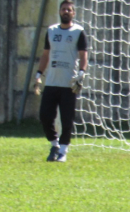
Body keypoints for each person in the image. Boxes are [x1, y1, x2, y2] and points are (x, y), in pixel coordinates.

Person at [33, 0, 88, 163]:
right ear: (59, 12)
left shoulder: (79, 31)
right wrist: (38, 74)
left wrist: (82, 73)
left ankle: (63, 150)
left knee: (66, 119)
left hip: (68, 84)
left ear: (73, 13)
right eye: (63, 9)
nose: (66, 12)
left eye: (69, 10)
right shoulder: (51, 31)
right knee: (45, 116)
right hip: (51, 82)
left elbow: (83, 55)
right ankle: (54, 144)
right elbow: (45, 55)